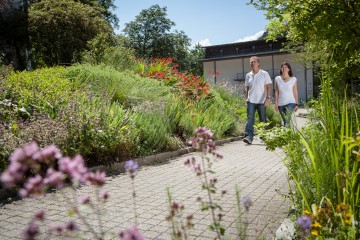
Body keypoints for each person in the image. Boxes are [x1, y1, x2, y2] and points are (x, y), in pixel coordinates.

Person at [243, 56, 272, 144]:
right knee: (250, 119)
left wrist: (267, 98)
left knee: (263, 119)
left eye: (254, 62)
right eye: (251, 62)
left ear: (258, 63)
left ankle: (264, 136)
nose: (252, 63)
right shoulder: (248, 75)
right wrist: (246, 98)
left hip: (262, 101)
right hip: (251, 100)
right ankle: (248, 137)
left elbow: (268, 86)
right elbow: (246, 87)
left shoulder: (264, 74)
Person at [274, 62, 299, 127]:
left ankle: (287, 133)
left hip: (291, 102)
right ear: (281, 69)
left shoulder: (293, 79)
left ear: (289, 69)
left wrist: (296, 104)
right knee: (285, 120)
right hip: (280, 103)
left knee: (287, 118)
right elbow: (276, 91)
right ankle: (287, 134)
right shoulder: (277, 79)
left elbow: (295, 92)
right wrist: (276, 103)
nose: (284, 68)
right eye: (282, 67)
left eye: (286, 67)